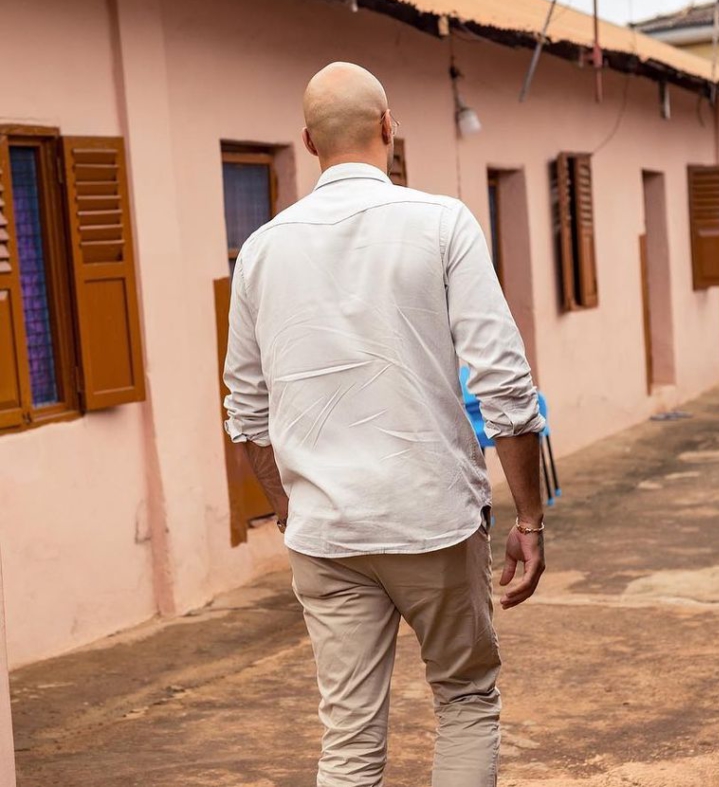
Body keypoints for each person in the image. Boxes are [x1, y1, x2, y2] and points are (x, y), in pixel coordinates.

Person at [223, 62, 547, 786]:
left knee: (348, 740)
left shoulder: (262, 251)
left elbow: (245, 410)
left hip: (326, 533)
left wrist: (289, 507)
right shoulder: (441, 224)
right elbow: (505, 383)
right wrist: (531, 517)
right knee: (465, 699)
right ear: (389, 127)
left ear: (307, 142)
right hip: (431, 517)